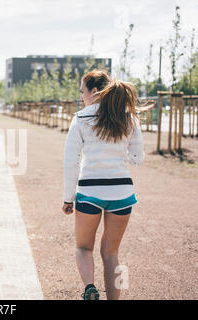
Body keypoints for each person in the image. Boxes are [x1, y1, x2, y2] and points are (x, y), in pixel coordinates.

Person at [62, 70, 145, 300]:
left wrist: (68, 198)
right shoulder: (129, 118)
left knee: (83, 248)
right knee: (111, 253)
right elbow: (138, 158)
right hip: (122, 193)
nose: (81, 96)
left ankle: (90, 288)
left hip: (89, 192)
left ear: (94, 92)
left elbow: (71, 163)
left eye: (83, 91)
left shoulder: (80, 118)